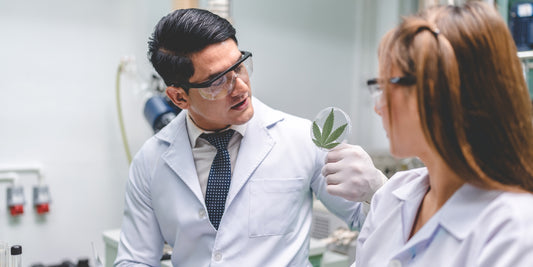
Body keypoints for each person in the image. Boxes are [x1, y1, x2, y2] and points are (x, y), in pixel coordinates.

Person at [114, 8, 387, 266]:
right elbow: (135, 259)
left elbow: (377, 222)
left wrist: (377, 191)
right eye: (217, 81)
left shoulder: (301, 139)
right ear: (179, 96)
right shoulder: (149, 162)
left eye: (240, 66)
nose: (241, 87)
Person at [356, 2, 533, 266]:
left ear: (436, 96)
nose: (378, 106)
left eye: (386, 85)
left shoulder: (515, 230)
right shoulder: (392, 195)